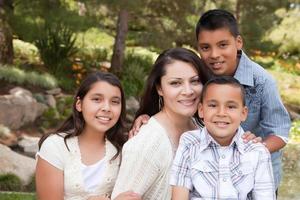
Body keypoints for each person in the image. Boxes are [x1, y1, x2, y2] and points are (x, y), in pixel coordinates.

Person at [195, 9, 291, 190]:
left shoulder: (262, 81)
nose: (214, 54)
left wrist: (249, 151)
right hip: (211, 178)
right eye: (206, 47)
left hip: (257, 180)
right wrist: (145, 117)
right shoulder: (198, 75)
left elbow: (280, 133)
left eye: (223, 45)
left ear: (238, 42)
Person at [111, 47, 212, 199]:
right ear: (159, 88)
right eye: (176, 83)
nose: (188, 91)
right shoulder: (147, 144)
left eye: (195, 81)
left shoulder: (201, 128)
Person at [36, 72, 141, 200]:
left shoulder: (123, 148)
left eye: (115, 102)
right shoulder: (55, 146)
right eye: (97, 99)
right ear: (79, 104)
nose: (107, 108)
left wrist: (145, 119)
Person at [170, 76, 275, 200]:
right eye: (213, 105)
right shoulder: (190, 142)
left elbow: (265, 196)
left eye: (231, 107)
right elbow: (179, 195)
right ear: (201, 110)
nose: (221, 113)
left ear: (243, 113)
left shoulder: (257, 151)